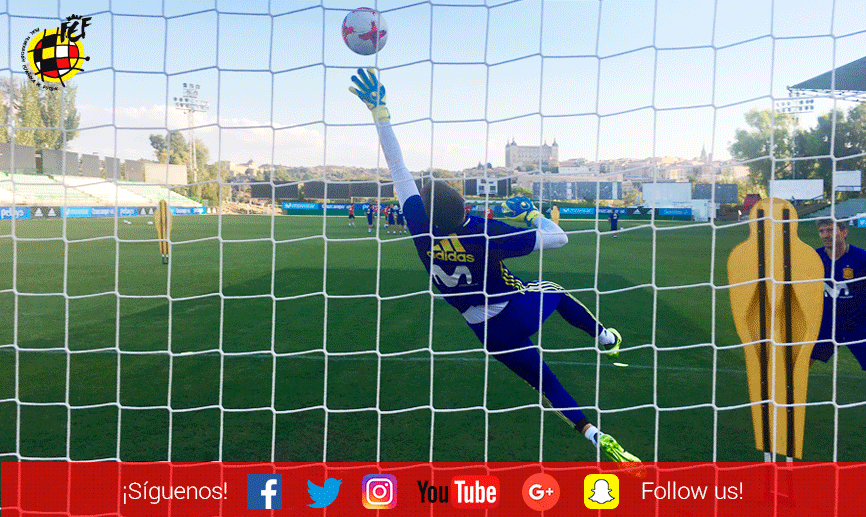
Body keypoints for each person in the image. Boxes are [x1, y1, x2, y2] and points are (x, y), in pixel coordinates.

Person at [350, 68, 642, 469]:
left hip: (483, 330)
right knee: (553, 290)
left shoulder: (419, 226)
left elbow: (399, 170)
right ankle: (606, 338)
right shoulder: (486, 232)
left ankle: (594, 435)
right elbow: (560, 239)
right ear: (465, 208)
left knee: (546, 383)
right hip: (515, 308)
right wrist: (534, 214)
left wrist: (380, 115)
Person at [811, 219, 866, 370]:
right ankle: (785, 393)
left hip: (857, 324)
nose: (825, 235)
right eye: (822, 231)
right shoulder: (814, 258)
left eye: (830, 230)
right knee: (800, 363)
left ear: (844, 232)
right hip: (827, 324)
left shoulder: (861, 258)